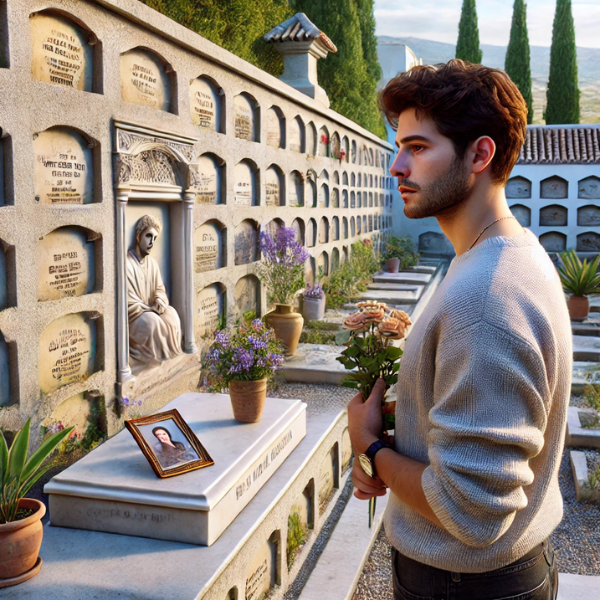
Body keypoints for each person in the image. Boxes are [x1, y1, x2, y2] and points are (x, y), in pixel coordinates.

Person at [347, 60, 572, 600]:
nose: (397, 166)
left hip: (466, 586)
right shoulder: (497, 255)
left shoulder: (487, 296)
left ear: (480, 153)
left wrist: (370, 447)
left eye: (419, 148)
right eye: (399, 146)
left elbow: (472, 513)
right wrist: (414, 426)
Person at [127, 214, 182, 372]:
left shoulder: (152, 263)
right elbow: (128, 301)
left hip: (150, 309)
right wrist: (149, 309)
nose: (151, 242)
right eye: (148, 236)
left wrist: (159, 301)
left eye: (155, 238)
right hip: (135, 317)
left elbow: (159, 289)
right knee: (153, 322)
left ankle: (171, 360)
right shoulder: (126, 264)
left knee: (171, 315)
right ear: (139, 236)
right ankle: (157, 367)